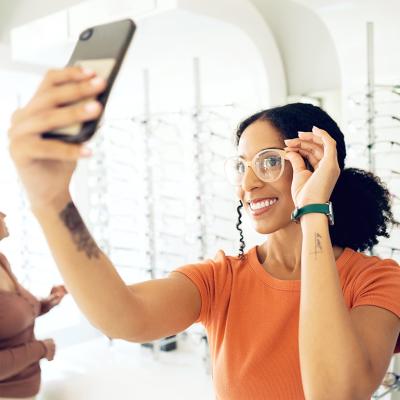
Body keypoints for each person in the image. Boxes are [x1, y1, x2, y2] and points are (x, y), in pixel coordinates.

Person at [7, 66, 400, 399]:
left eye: (268, 162)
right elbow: (123, 316)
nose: (248, 184)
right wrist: (53, 202)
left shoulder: (377, 282)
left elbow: (335, 393)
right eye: (240, 166)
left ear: (315, 166)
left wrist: (314, 208)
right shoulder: (223, 280)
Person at [0, 211, 67, 399]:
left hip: (28, 390)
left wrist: (47, 302)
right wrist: (41, 349)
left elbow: (9, 315)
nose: (4, 214)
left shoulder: (1, 261)